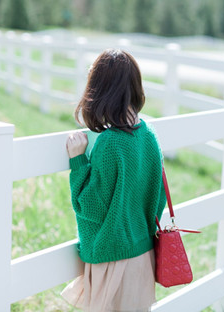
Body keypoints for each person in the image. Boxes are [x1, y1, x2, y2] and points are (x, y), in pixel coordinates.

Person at [61, 49, 166, 312]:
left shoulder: (110, 143)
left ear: (99, 90)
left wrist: (77, 162)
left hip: (114, 258)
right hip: (143, 254)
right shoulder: (149, 136)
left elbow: (90, 207)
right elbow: (158, 198)